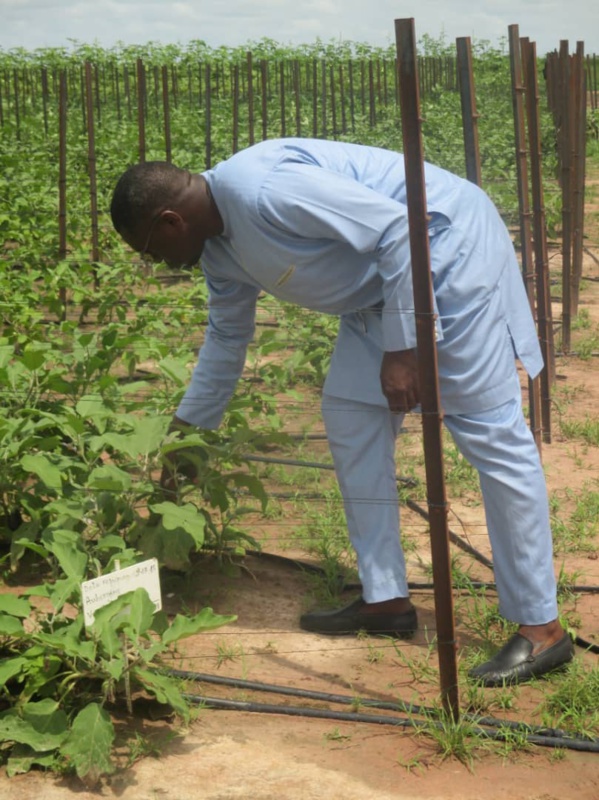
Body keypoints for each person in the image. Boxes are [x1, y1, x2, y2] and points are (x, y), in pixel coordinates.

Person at [110, 137, 574, 687]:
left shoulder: (264, 190)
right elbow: (227, 339)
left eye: (150, 251)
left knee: (490, 435)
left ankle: (542, 628)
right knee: (352, 414)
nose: (157, 264)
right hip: (382, 287)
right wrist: (187, 435)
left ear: (170, 222)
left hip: (449, 254)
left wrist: (403, 350)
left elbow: (400, 229)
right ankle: (386, 599)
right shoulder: (217, 249)